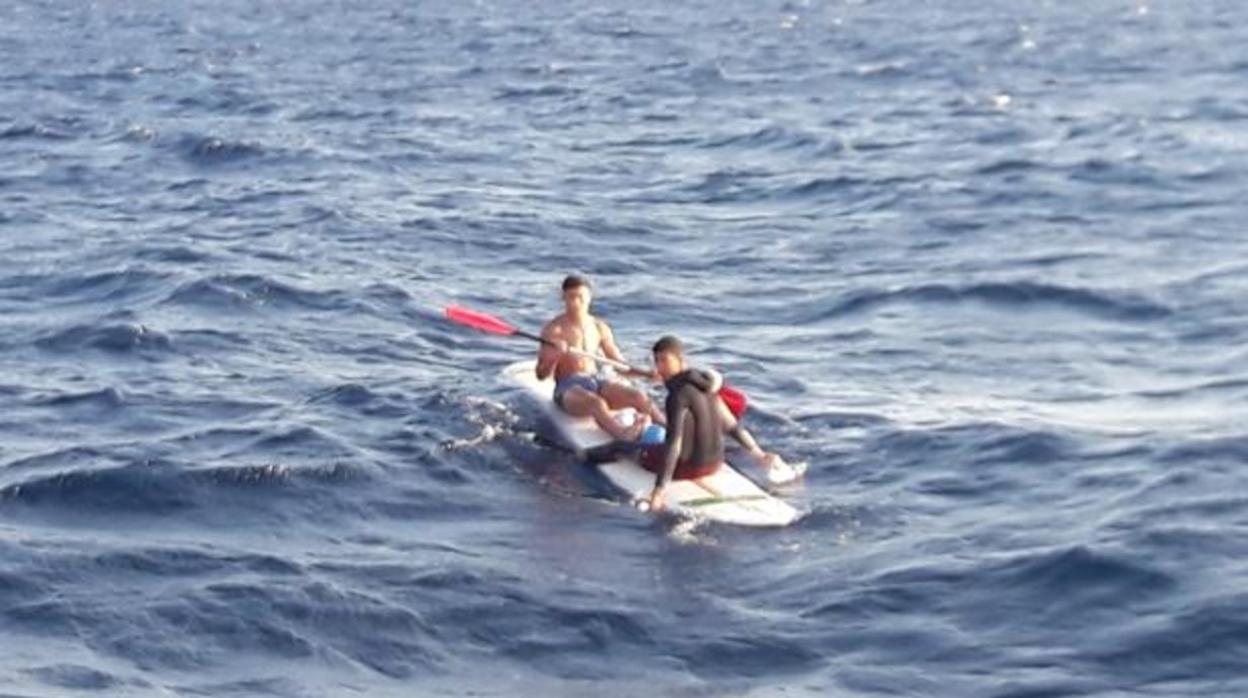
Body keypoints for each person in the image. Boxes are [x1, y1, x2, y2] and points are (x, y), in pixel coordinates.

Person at [642, 335, 790, 511]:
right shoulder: (708, 387)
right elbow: (731, 426)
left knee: (629, 448)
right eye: (657, 361)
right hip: (716, 464)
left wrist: (659, 491)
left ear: (681, 360)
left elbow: (674, 444)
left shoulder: (677, 395)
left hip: (689, 469)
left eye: (665, 360)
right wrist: (759, 455)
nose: (660, 367)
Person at [535, 274, 664, 441]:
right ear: (563, 298)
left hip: (596, 381)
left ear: (589, 297)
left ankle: (668, 427)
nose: (576, 303)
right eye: (571, 298)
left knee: (638, 397)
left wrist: (647, 374)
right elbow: (541, 375)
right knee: (596, 403)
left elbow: (619, 366)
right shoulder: (554, 330)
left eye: (581, 297)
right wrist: (554, 356)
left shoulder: (599, 327)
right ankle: (622, 434)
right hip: (567, 388)